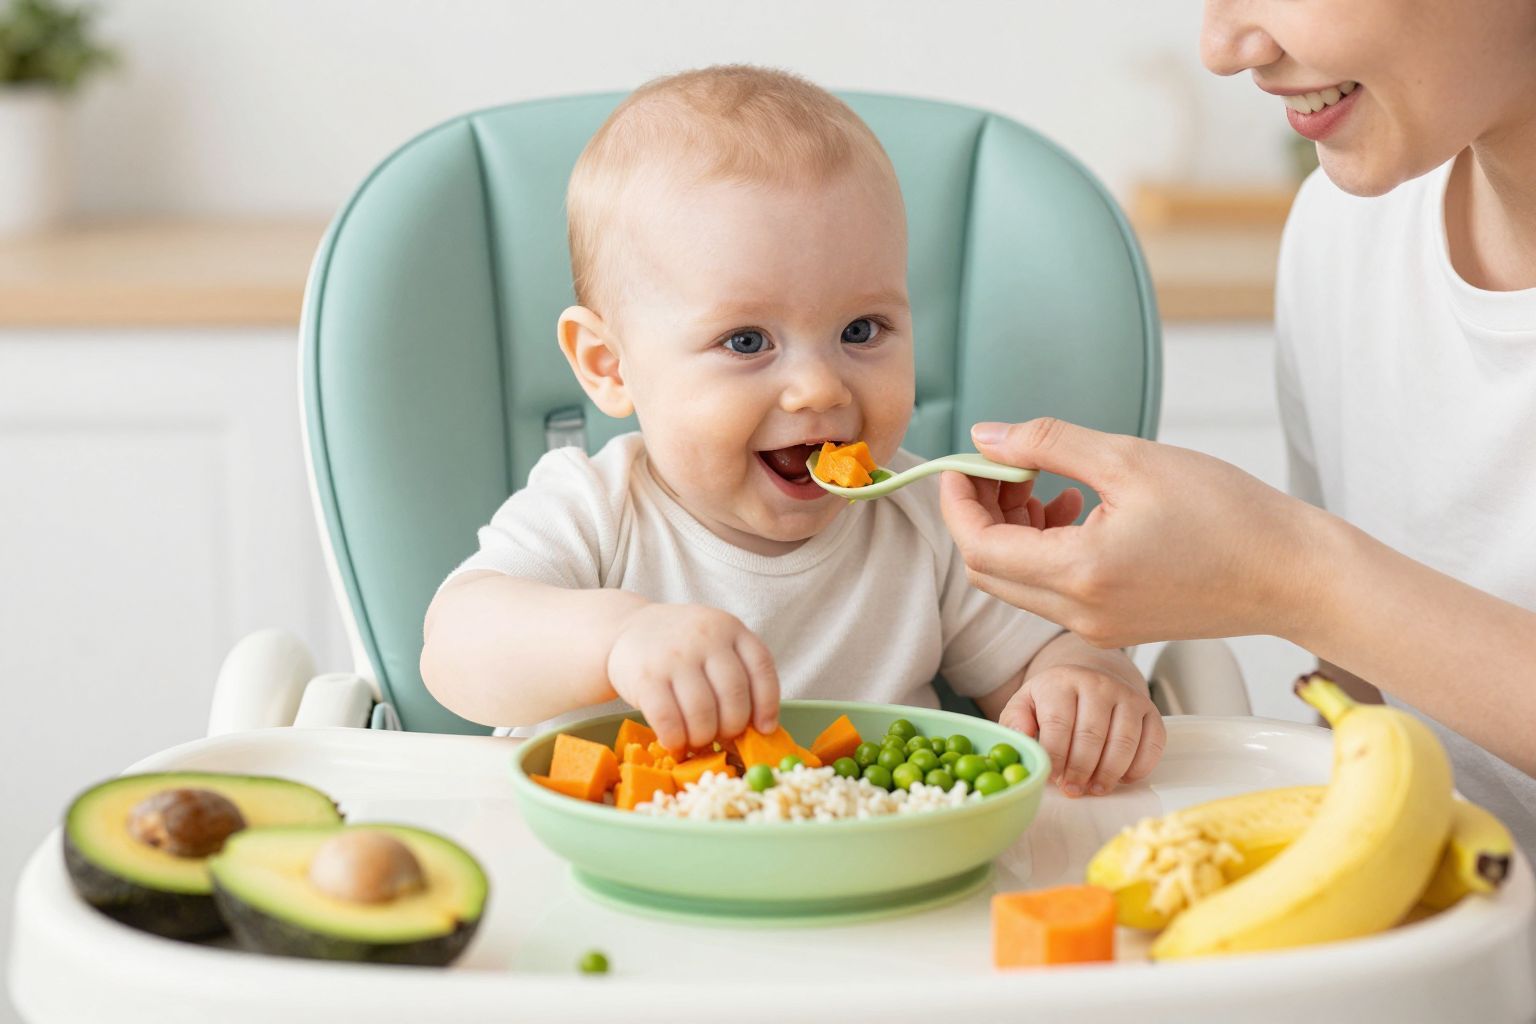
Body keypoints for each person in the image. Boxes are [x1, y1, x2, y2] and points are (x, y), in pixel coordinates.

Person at [419, 65, 1165, 797]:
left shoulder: (925, 524)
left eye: (862, 329)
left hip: (868, 891)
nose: (819, 387)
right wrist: (618, 640)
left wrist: (1084, 685)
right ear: (609, 366)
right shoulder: (597, 509)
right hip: (610, 874)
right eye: (747, 342)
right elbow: (453, 650)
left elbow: (1037, 661)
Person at [940, 0, 1536, 854]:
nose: (1226, 49)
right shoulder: (1346, 233)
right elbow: (1359, 703)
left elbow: (1326, 591)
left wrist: (1288, 574)